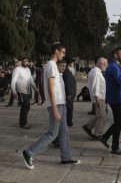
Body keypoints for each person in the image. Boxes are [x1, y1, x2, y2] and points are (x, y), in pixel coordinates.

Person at [22, 42, 80, 170]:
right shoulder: (51, 65)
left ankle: (66, 157)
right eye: (62, 52)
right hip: (56, 104)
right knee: (52, 134)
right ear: (56, 51)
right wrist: (54, 108)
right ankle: (28, 152)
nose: (64, 54)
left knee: (64, 132)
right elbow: (51, 88)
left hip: (61, 103)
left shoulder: (54, 66)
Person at [82, 57, 107, 139]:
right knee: (102, 116)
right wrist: (97, 99)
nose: (106, 67)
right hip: (99, 98)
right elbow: (96, 86)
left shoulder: (95, 71)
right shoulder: (96, 73)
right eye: (105, 65)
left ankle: (88, 127)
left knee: (99, 115)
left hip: (98, 97)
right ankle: (98, 134)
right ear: (101, 64)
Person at [11, 57, 38, 129]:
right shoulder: (17, 70)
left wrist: (36, 89)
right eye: (24, 61)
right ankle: (23, 123)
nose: (25, 62)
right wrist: (14, 91)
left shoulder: (28, 70)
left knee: (27, 106)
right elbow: (13, 81)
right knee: (25, 105)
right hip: (20, 90)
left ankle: (22, 122)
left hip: (27, 91)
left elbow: (31, 81)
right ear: (21, 62)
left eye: (27, 61)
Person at [63, 56, 77, 127]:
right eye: (72, 62)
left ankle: (68, 122)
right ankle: (69, 122)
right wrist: (68, 94)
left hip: (71, 93)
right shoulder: (66, 71)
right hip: (69, 94)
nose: (73, 63)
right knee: (69, 108)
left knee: (69, 108)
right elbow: (67, 83)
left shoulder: (68, 70)